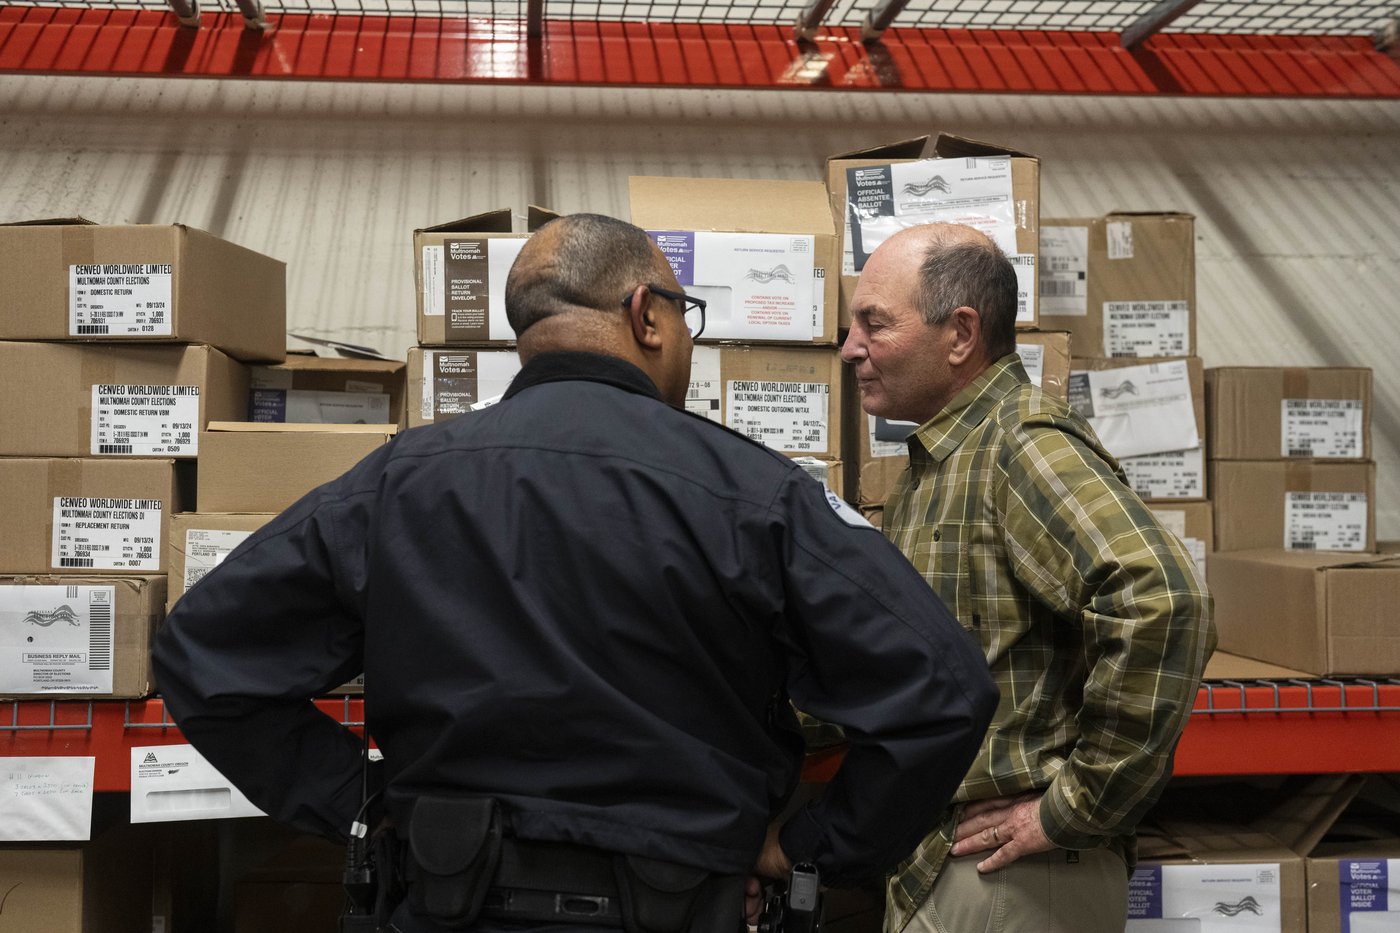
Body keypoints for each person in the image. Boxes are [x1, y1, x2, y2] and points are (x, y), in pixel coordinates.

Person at [152, 213, 998, 933]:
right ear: (647, 315)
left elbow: (203, 653)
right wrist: (813, 846)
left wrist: (367, 804)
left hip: (448, 892)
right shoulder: (754, 493)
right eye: (686, 315)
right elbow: (944, 689)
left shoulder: (398, 481)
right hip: (680, 899)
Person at [839, 222, 1215, 933]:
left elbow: (1162, 596)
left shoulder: (1020, 445)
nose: (851, 346)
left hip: (1011, 883)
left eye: (874, 323)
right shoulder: (937, 465)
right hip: (956, 868)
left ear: (960, 334)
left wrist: (1075, 806)